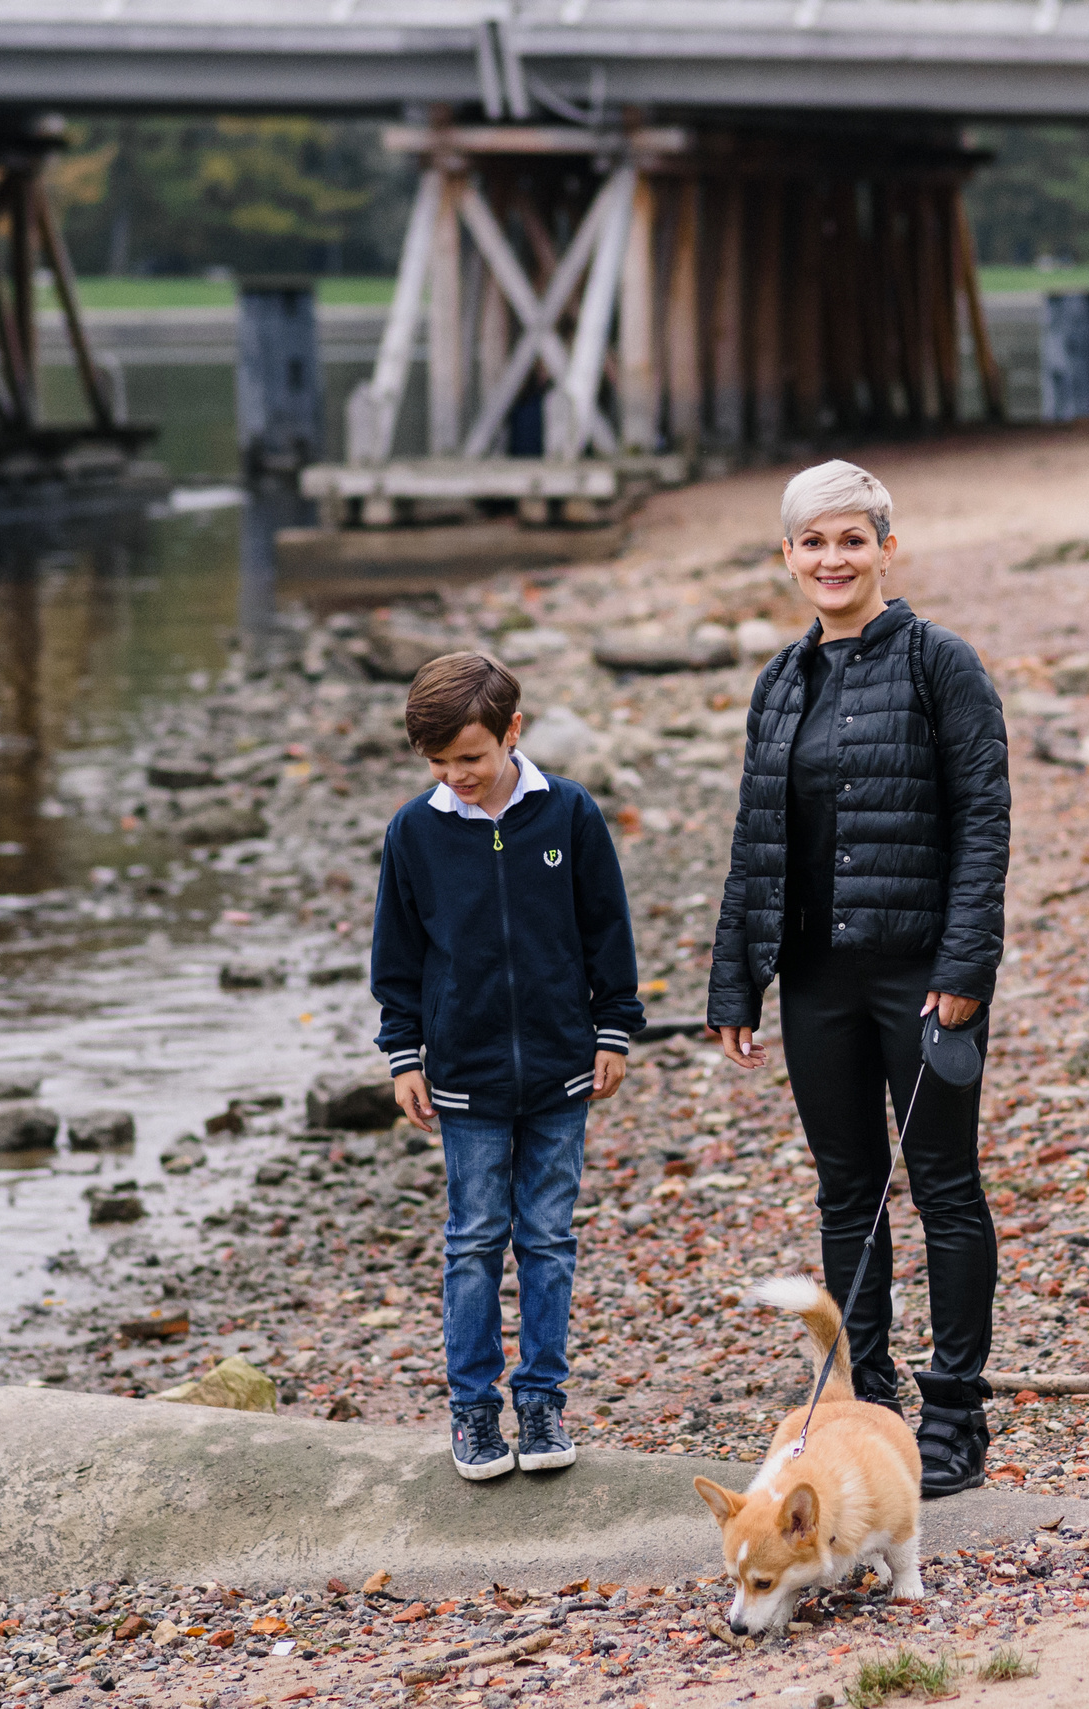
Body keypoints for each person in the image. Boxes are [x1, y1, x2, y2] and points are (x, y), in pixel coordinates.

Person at [707, 460, 1012, 1498]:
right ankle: (865, 1399)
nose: (830, 560)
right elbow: (756, 842)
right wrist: (734, 982)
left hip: (923, 976)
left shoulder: (942, 664)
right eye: (811, 543)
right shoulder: (780, 681)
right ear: (787, 557)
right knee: (847, 1193)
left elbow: (983, 823)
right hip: (816, 982)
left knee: (943, 1190)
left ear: (888, 546)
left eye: (850, 539)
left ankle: (956, 1414)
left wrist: (966, 964)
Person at [371, 650, 645, 1482]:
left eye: (471, 758)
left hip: (563, 1068)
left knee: (550, 1238)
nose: (456, 775)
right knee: (475, 1239)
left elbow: (607, 928)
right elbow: (399, 953)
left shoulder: (568, 814)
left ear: (511, 733)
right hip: (465, 1076)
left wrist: (614, 1029)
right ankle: (473, 1410)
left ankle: (542, 1399)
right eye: (440, 762)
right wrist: (403, 1052)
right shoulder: (415, 832)